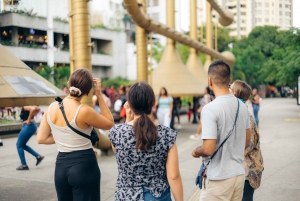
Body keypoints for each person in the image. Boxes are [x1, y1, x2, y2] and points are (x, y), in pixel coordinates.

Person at [37, 69, 114, 201]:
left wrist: (64, 137)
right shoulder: (83, 111)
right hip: (84, 165)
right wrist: (99, 95)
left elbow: (41, 138)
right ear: (88, 92)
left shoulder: (51, 108)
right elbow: (109, 123)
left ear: (68, 84)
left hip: (61, 167)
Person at [109, 82, 183, 201]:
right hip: (157, 196)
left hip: (126, 196)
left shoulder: (116, 132)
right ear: (154, 102)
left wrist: (128, 118)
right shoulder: (167, 134)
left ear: (130, 105)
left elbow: (115, 150)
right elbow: (173, 177)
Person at [191, 60, 251, 201]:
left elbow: (208, 149)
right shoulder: (242, 107)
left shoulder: (210, 109)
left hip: (218, 178)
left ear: (210, 81)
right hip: (238, 175)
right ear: (229, 80)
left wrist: (196, 151)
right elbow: (246, 141)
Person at [230, 80, 264, 201]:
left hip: (247, 169)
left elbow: (248, 144)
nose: (228, 89)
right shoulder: (240, 111)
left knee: (245, 198)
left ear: (235, 93)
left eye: (230, 87)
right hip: (244, 167)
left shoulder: (243, 114)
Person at [16, 105, 44, 170]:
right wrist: (32, 116)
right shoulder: (27, 106)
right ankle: (38, 156)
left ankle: (24, 165)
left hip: (28, 126)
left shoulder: (24, 106)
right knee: (22, 145)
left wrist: (28, 120)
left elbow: (33, 109)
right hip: (31, 126)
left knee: (19, 145)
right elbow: (38, 108)